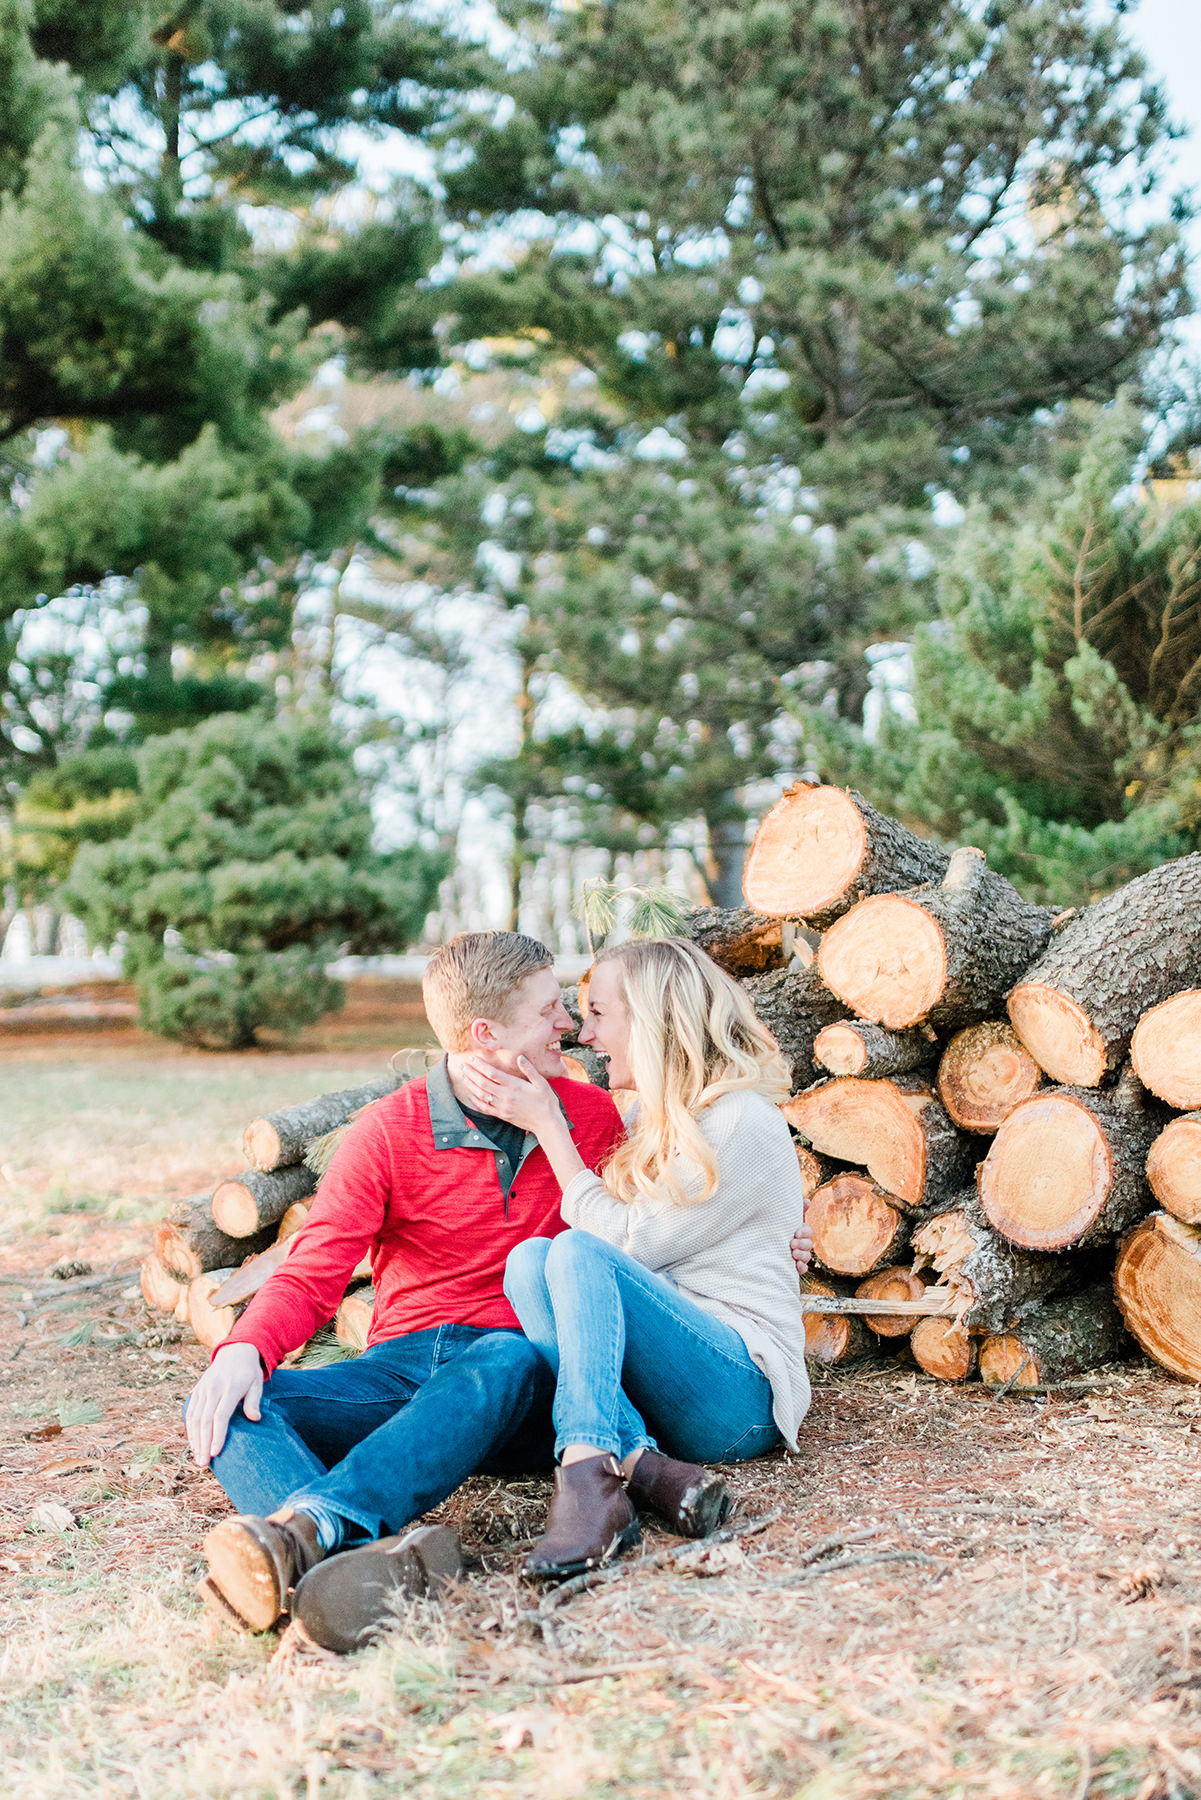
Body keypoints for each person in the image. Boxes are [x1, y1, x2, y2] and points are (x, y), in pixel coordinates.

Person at [184, 931, 628, 1642]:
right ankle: (358, 1566)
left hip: (523, 1384)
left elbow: (630, 1248)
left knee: (504, 1356)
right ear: (486, 1033)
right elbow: (319, 1262)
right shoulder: (388, 1131)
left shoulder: (590, 1119)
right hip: (406, 1376)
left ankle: (312, 1529)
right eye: (549, 1010)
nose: (568, 1024)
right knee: (229, 1401)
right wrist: (244, 1349)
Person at [457, 936, 811, 1580]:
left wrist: (550, 1129)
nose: (585, 1033)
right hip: (680, 1377)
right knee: (529, 1261)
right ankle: (639, 1468)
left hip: (742, 1395)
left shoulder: (740, 1122)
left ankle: (587, 1472)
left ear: (650, 1020)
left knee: (575, 1252)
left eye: (598, 1013)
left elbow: (623, 1244)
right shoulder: (655, 1113)